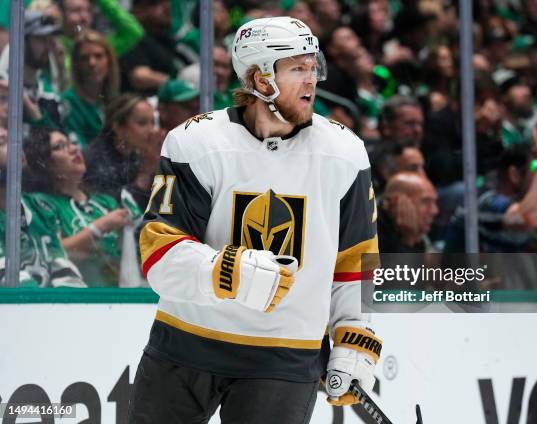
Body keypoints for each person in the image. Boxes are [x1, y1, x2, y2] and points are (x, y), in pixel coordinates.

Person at [130, 17, 381, 423]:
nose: (312, 80)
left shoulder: (345, 153)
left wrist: (354, 334)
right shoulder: (196, 142)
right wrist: (225, 271)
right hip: (185, 344)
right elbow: (158, 250)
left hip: (285, 358)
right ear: (261, 79)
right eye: (297, 68)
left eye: (313, 67)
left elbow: (356, 260)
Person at [23, 127, 130, 286]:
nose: (74, 149)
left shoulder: (105, 202)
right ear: (45, 163)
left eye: (71, 143)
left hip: (121, 296)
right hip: (76, 300)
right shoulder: (41, 204)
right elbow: (52, 255)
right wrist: (99, 228)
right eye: (60, 146)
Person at [0, 125, 85, 287]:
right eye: (2, 143)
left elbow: (60, 264)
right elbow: (7, 278)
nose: (15, 147)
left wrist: (76, 304)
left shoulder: (40, 208)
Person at [84, 93, 162, 211]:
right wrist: (146, 172)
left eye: (153, 122)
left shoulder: (135, 154)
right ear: (118, 127)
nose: (151, 130)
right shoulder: (97, 160)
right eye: (142, 123)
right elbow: (115, 209)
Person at [62, 29, 120, 148]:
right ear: (76, 64)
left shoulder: (115, 101)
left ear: (109, 61)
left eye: (98, 56)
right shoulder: (70, 102)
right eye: (84, 58)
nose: (92, 63)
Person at [378, 171, 439, 253]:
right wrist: (408, 238)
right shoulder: (370, 234)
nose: (435, 211)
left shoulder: (418, 233)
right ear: (396, 201)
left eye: (434, 202)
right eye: (426, 201)